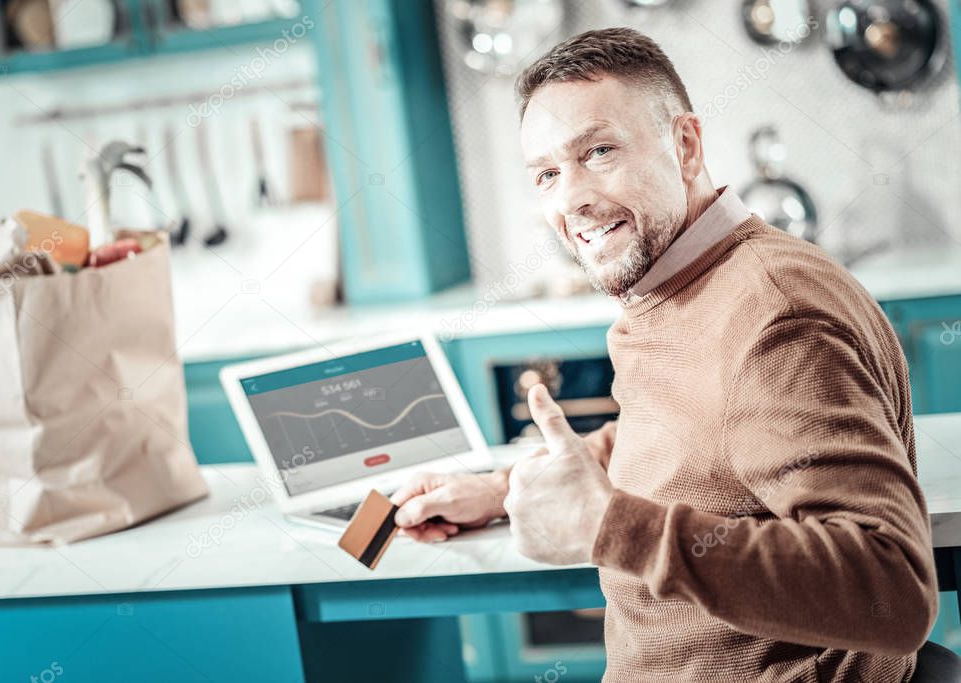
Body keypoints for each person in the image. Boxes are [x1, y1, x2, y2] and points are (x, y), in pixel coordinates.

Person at [391, 27, 937, 682]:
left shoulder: (775, 319)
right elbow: (693, 445)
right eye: (545, 174)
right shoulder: (671, 282)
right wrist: (507, 488)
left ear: (684, 145)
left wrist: (609, 524)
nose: (570, 200)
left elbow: (889, 588)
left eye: (597, 152)